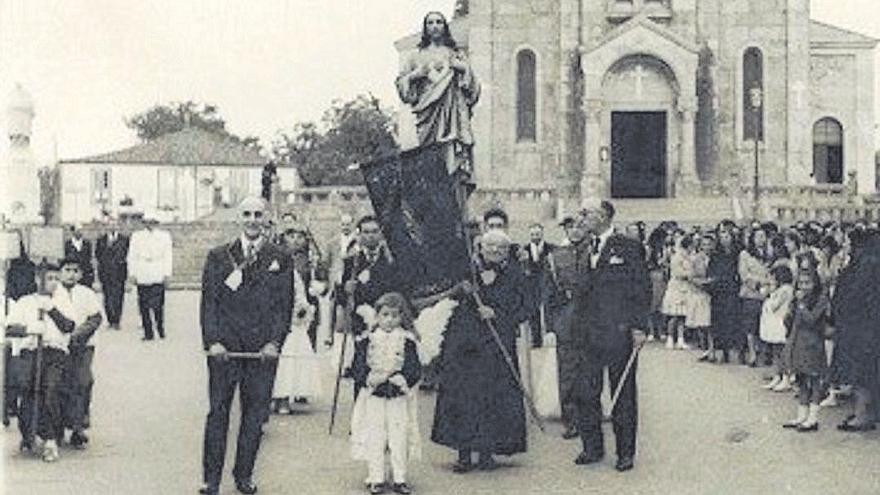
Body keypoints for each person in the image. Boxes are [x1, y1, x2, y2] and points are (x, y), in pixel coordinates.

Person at [198, 197, 294, 495]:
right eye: (247, 214)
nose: (252, 220)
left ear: (266, 218)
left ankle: (244, 475)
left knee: (254, 415)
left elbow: (284, 307)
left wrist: (274, 342)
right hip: (225, 352)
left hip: (261, 354)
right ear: (239, 218)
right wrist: (213, 342)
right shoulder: (219, 256)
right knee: (218, 413)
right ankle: (211, 480)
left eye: (258, 215)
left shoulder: (280, 257)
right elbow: (209, 304)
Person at [431, 230, 530, 473]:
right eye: (490, 246)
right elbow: (446, 291)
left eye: (501, 248)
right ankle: (464, 453)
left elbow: (525, 307)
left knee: (492, 397)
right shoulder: (467, 270)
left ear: (508, 251)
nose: (495, 251)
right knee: (463, 396)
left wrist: (498, 315)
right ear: (481, 247)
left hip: (497, 344)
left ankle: (487, 452)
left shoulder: (515, 274)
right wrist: (459, 287)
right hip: (465, 344)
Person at [572, 198, 650, 473]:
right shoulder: (583, 247)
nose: (581, 217)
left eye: (586, 213)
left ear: (604, 215)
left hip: (619, 332)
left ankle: (625, 452)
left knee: (623, 393)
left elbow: (641, 288)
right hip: (588, 334)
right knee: (586, 392)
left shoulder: (628, 247)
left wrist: (640, 327)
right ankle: (592, 447)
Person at [4, 261, 100, 462]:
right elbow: (9, 328)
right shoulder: (26, 302)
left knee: (50, 390)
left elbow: (69, 326)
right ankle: (28, 433)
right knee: (28, 390)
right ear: (39, 279)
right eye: (49, 279)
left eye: (57, 278)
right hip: (30, 352)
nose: (54, 283)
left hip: (55, 353)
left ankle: (50, 439)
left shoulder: (61, 301)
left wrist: (52, 310)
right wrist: (30, 328)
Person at [396, 10, 480, 209]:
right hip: (428, 118)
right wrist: (415, 75)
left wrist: (462, 69)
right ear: (425, 28)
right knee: (429, 163)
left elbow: (473, 89)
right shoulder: (416, 57)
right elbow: (404, 88)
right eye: (431, 22)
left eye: (439, 22)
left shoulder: (455, 54)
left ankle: (455, 203)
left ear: (445, 26)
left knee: (452, 162)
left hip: (452, 120)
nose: (435, 26)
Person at [350, 293, 422, 495]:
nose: (389, 320)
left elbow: (415, 367)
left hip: (398, 396)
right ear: (377, 316)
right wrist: (367, 378)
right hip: (375, 395)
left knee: (398, 435)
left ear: (401, 317)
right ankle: (376, 476)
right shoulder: (367, 340)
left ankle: (399, 477)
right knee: (376, 435)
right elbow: (357, 367)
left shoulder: (407, 341)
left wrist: (405, 379)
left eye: (395, 316)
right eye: (385, 315)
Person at [546, 215, 592, 440]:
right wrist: (551, 325)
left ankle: (590, 416)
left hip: (590, 319)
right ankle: (571, 419)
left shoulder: (593, 253)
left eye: (579, 227)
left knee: (590, 370)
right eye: (570, 227)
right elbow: (548, 294)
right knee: (567, 372)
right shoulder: (555, 257)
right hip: (566, 320)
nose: (575, 231)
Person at [272, 221, 322, 414]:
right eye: (289, 236)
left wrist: (301, 308)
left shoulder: (300, 268)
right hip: (273, 316)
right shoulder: (273, 266)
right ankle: (274, 397)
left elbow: (300, 293)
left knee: (291, 356)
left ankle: (286, 396)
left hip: (292, 317)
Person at [832, 230, 880, 432]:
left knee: (861, 373)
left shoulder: (866, 265)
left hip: (862, 328)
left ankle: (863, 415)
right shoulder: (869, 262)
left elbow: (853, 296)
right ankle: (865, 412)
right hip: (865, 327)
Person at [783, 267, 829, 433]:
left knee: (814, 381)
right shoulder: (797, 300)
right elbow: (791, 322)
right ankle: (801, 415)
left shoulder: (821, 299)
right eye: (800, 283)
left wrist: (801, 305)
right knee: (801, 379)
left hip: (813, 344)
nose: (803, 287)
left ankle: (813, 417)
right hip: (798, 342)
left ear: (815, 283)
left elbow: (812, 319)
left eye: (807, 283)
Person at [127, 217, 173, 341]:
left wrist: (167, 274)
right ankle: (148, 332)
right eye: (148, 222)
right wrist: (132, 273)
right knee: (143, 305)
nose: (150, 225)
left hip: (158, 271)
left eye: (153, 222)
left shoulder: (164, 236)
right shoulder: (137, 236)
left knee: (158, 305)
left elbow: (168, 255)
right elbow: (132, 255)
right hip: (142, 272)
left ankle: (160, 328)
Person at [707, 223, 742, 364]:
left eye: (727, 236)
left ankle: (731, 350)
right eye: (722, 236)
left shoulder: (737, 253)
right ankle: (720, 350)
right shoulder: (716, 255)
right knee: (719, 321)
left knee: (732, 321)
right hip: (719, 293)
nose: (725, 239)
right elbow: (711, 272)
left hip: (732, 291)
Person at [760, 265, 795, 390]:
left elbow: (774, 305)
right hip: (773, 323)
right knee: (776, 351)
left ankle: (786, 377)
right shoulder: (780, 290)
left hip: (780, 323)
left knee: (782, 352)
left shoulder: (785, 290)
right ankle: (777, 376)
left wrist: (771, 292)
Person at [95, 218, 129, 329]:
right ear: (107, 227)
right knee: (107, 297)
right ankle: (110, 320)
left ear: (118, 226)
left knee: (118, 297)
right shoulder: (101, 240)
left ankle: (117, 321)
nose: (113, 227)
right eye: (110, 225)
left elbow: (126, 255)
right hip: (106, 272)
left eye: (115, 225)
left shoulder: (124, 239)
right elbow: (98, 255)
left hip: (119, 273)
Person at [525, 223, 554, 348]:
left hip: (546, 284)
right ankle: (536, 340)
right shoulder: (524, 250)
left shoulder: (551, 248)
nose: (535, 237)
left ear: (542, 234)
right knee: (533, 312)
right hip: (531, 286)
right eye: (532, 234)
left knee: (548, 310)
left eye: (537, 234)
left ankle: (550, 337)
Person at [661, 232, 692, 350]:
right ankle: (670, 338)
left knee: (682, 316)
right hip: (676, 287)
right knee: (673, 315)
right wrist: (689, 274)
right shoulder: (677, 257)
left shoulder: (687, 256)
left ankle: (680, 339)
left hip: (685, 287)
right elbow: (677, 272)